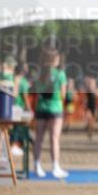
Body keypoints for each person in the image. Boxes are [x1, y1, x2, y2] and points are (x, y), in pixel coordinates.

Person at [32, 48, 69, 178]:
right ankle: (55, 167)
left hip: (41, 108)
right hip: (55, 108)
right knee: (54, 138)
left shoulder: (38, 73)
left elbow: (35, 91)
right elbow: (63, 94)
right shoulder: (60, 74)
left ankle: (36, 165)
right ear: (55, 60)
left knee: (39, 139)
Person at [83, 75, 98, 141]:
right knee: (88, 117)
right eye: (90, 82)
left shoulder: (97, 90)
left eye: (92, 82)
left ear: (95, 83)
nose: (91, 84)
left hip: (94, 106)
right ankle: (88, 128)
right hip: (88, 105)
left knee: (92, 121)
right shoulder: (87, 90)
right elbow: (84, 98)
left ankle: (91, 131)